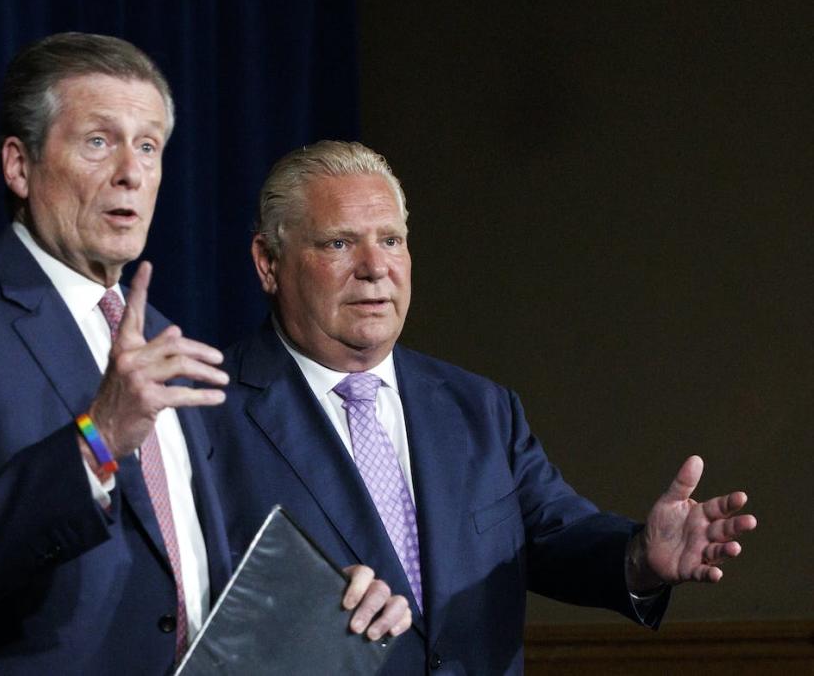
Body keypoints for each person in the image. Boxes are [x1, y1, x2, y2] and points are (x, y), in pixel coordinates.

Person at [0, 36, 408, 675]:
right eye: (98, 141)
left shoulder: (167, 344)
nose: (131, 171)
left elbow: (192, 584)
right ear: (19, 165)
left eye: (148, 146)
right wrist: (96, 440)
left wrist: (321, 606)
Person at [207, 140, 758, 674]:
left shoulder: (477, 408)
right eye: (339, 244)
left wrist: (641, 557)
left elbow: (555, 536)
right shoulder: (206, 413)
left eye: (392, 241)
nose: (376, 268)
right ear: (268, 262)